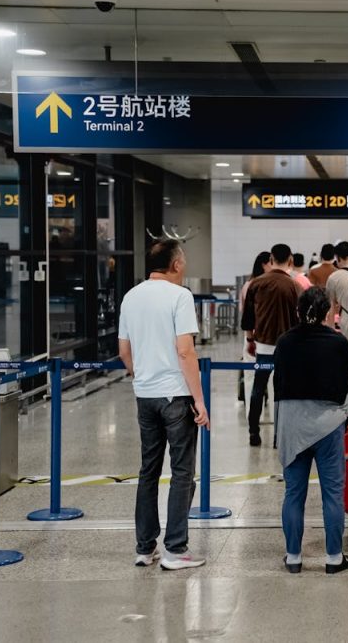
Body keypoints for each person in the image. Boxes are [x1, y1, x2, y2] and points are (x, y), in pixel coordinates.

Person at [118, 239, 209, 571]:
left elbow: (124, 350)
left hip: (145, 395)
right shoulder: (180, 296)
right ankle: (175, 550)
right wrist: (199, 400)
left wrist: (140, 375)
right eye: (183, 259)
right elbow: (185, 350)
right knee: (183, 471)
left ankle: (144, 548)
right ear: (176, 265)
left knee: (148, 471)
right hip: (175, 394)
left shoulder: (131, 296)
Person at [274, 287, 348, 574]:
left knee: (293, 492)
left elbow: (279, 386)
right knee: (332, 492)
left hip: (293, 425)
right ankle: (334, 558)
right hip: (329, 424)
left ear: (299, 311)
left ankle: (293, 556)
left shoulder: (284, 343)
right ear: (328, 313)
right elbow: (347, 389)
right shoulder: (339, 344)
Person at [241, 244, 301, 446]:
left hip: (263, 344)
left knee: (258, 388)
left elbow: (248, 317)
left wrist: (250, 340)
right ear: (290, 260)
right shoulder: (294, 286)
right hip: (288, 347)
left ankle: (253, 433)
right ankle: (279, 436)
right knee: (284, 391)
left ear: (272, 259)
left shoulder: (256, 284)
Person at [238, 252, 272, 404]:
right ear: (264, 264)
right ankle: (268, 415)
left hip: (252, 336)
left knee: (252, 377)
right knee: (262, 378)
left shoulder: (248, 284)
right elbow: (248, 314)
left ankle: (251, 412)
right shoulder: (258, 285)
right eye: (271, 262)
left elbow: (244, 312)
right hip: (258, 336)